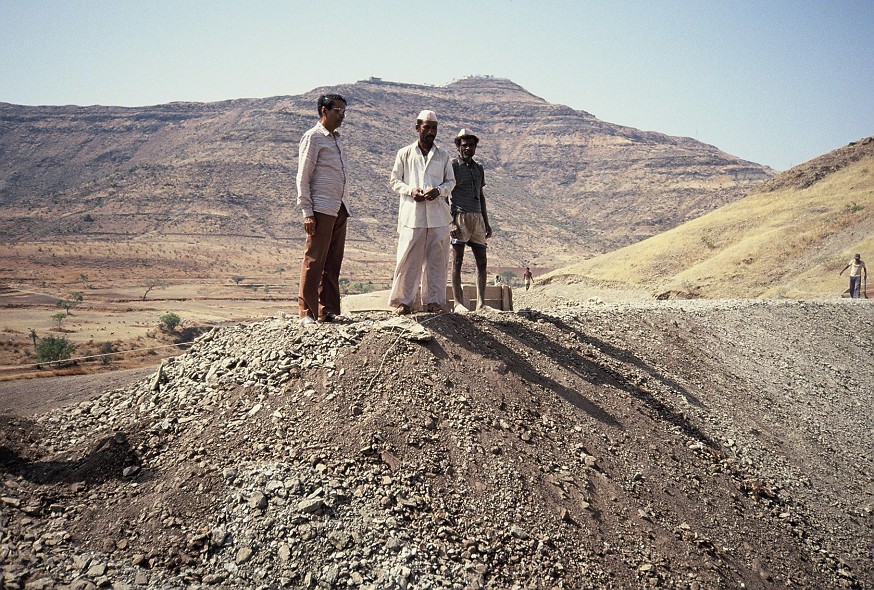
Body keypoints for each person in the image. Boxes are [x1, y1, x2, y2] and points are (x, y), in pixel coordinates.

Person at [388, 110, 456, 315]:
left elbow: (451, 181)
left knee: (437, 260)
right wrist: (411, 191)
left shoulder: (444, 155)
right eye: (427, 127)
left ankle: (434, 301)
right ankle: (403, 302)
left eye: (434, 128)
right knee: (408, 259)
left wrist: (439, 191)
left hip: (438, 216)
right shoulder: (405, 153)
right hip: (413, 216)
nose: (431, 131)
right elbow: (394, 181)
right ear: (418, 128)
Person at [296, 93, 350, 325]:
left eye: (344, 111)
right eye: (337, 111)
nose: (342, 116)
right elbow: (303, 176)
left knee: (332, 261)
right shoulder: (313, 137)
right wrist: (307, 211)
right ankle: (307, 312)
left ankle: (327, 310)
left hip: (340, 206)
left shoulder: (336, 139)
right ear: (323, 111)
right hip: (321, 207)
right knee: (315, 259)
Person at [449, 129, 492, 312]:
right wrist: (450, 222)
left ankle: (481, 304)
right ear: (458, 146)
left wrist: (486, 221)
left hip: (477, 218)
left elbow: (481, 195)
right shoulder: (453, 166)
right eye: (464, 145)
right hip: (460, 216)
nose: (468, 148)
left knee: (482, 261)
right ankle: (458, 303)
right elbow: (445, 194)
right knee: (457, 260)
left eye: (471, 145)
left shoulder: (478, 168)